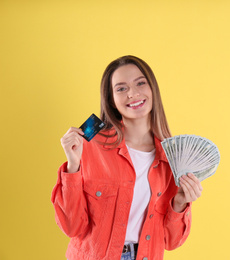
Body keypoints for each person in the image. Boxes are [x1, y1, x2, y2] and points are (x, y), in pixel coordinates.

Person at [51, 55, 203, 260]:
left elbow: (171, 241)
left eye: (140, 83)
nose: (133, 93)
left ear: (153, 90)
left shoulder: (172, 158)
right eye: (121, 88)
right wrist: (73, 166)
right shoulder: (90, 144)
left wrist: (180, 203)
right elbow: (72, 227)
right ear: (111, 100)